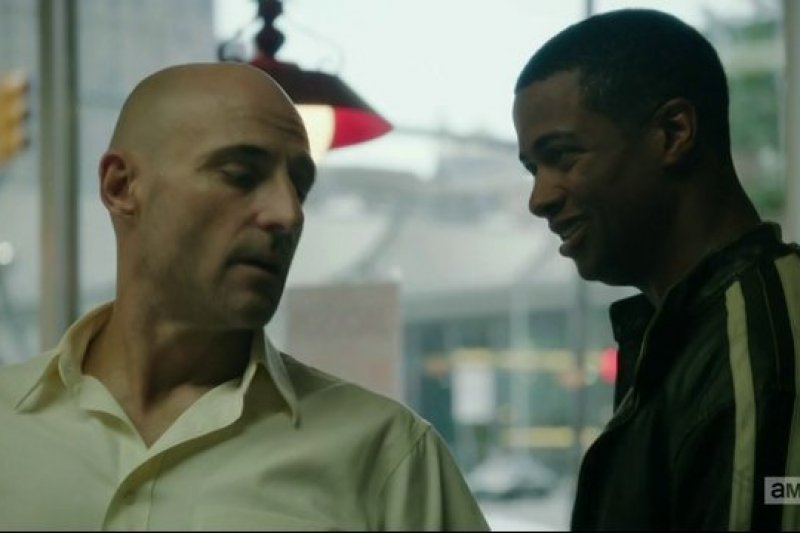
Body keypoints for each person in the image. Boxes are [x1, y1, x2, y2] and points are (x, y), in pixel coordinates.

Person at [0, 62, 489, 531]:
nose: (288, 214)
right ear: (121, 186)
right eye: (240, 174)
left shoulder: (389, 457)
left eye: (300, 186)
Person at [512, 8, 800, 531]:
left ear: (673, 132)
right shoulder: (690, 333)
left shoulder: (757, 344)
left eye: (562, 156)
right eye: (534, 168)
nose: (540, 199)